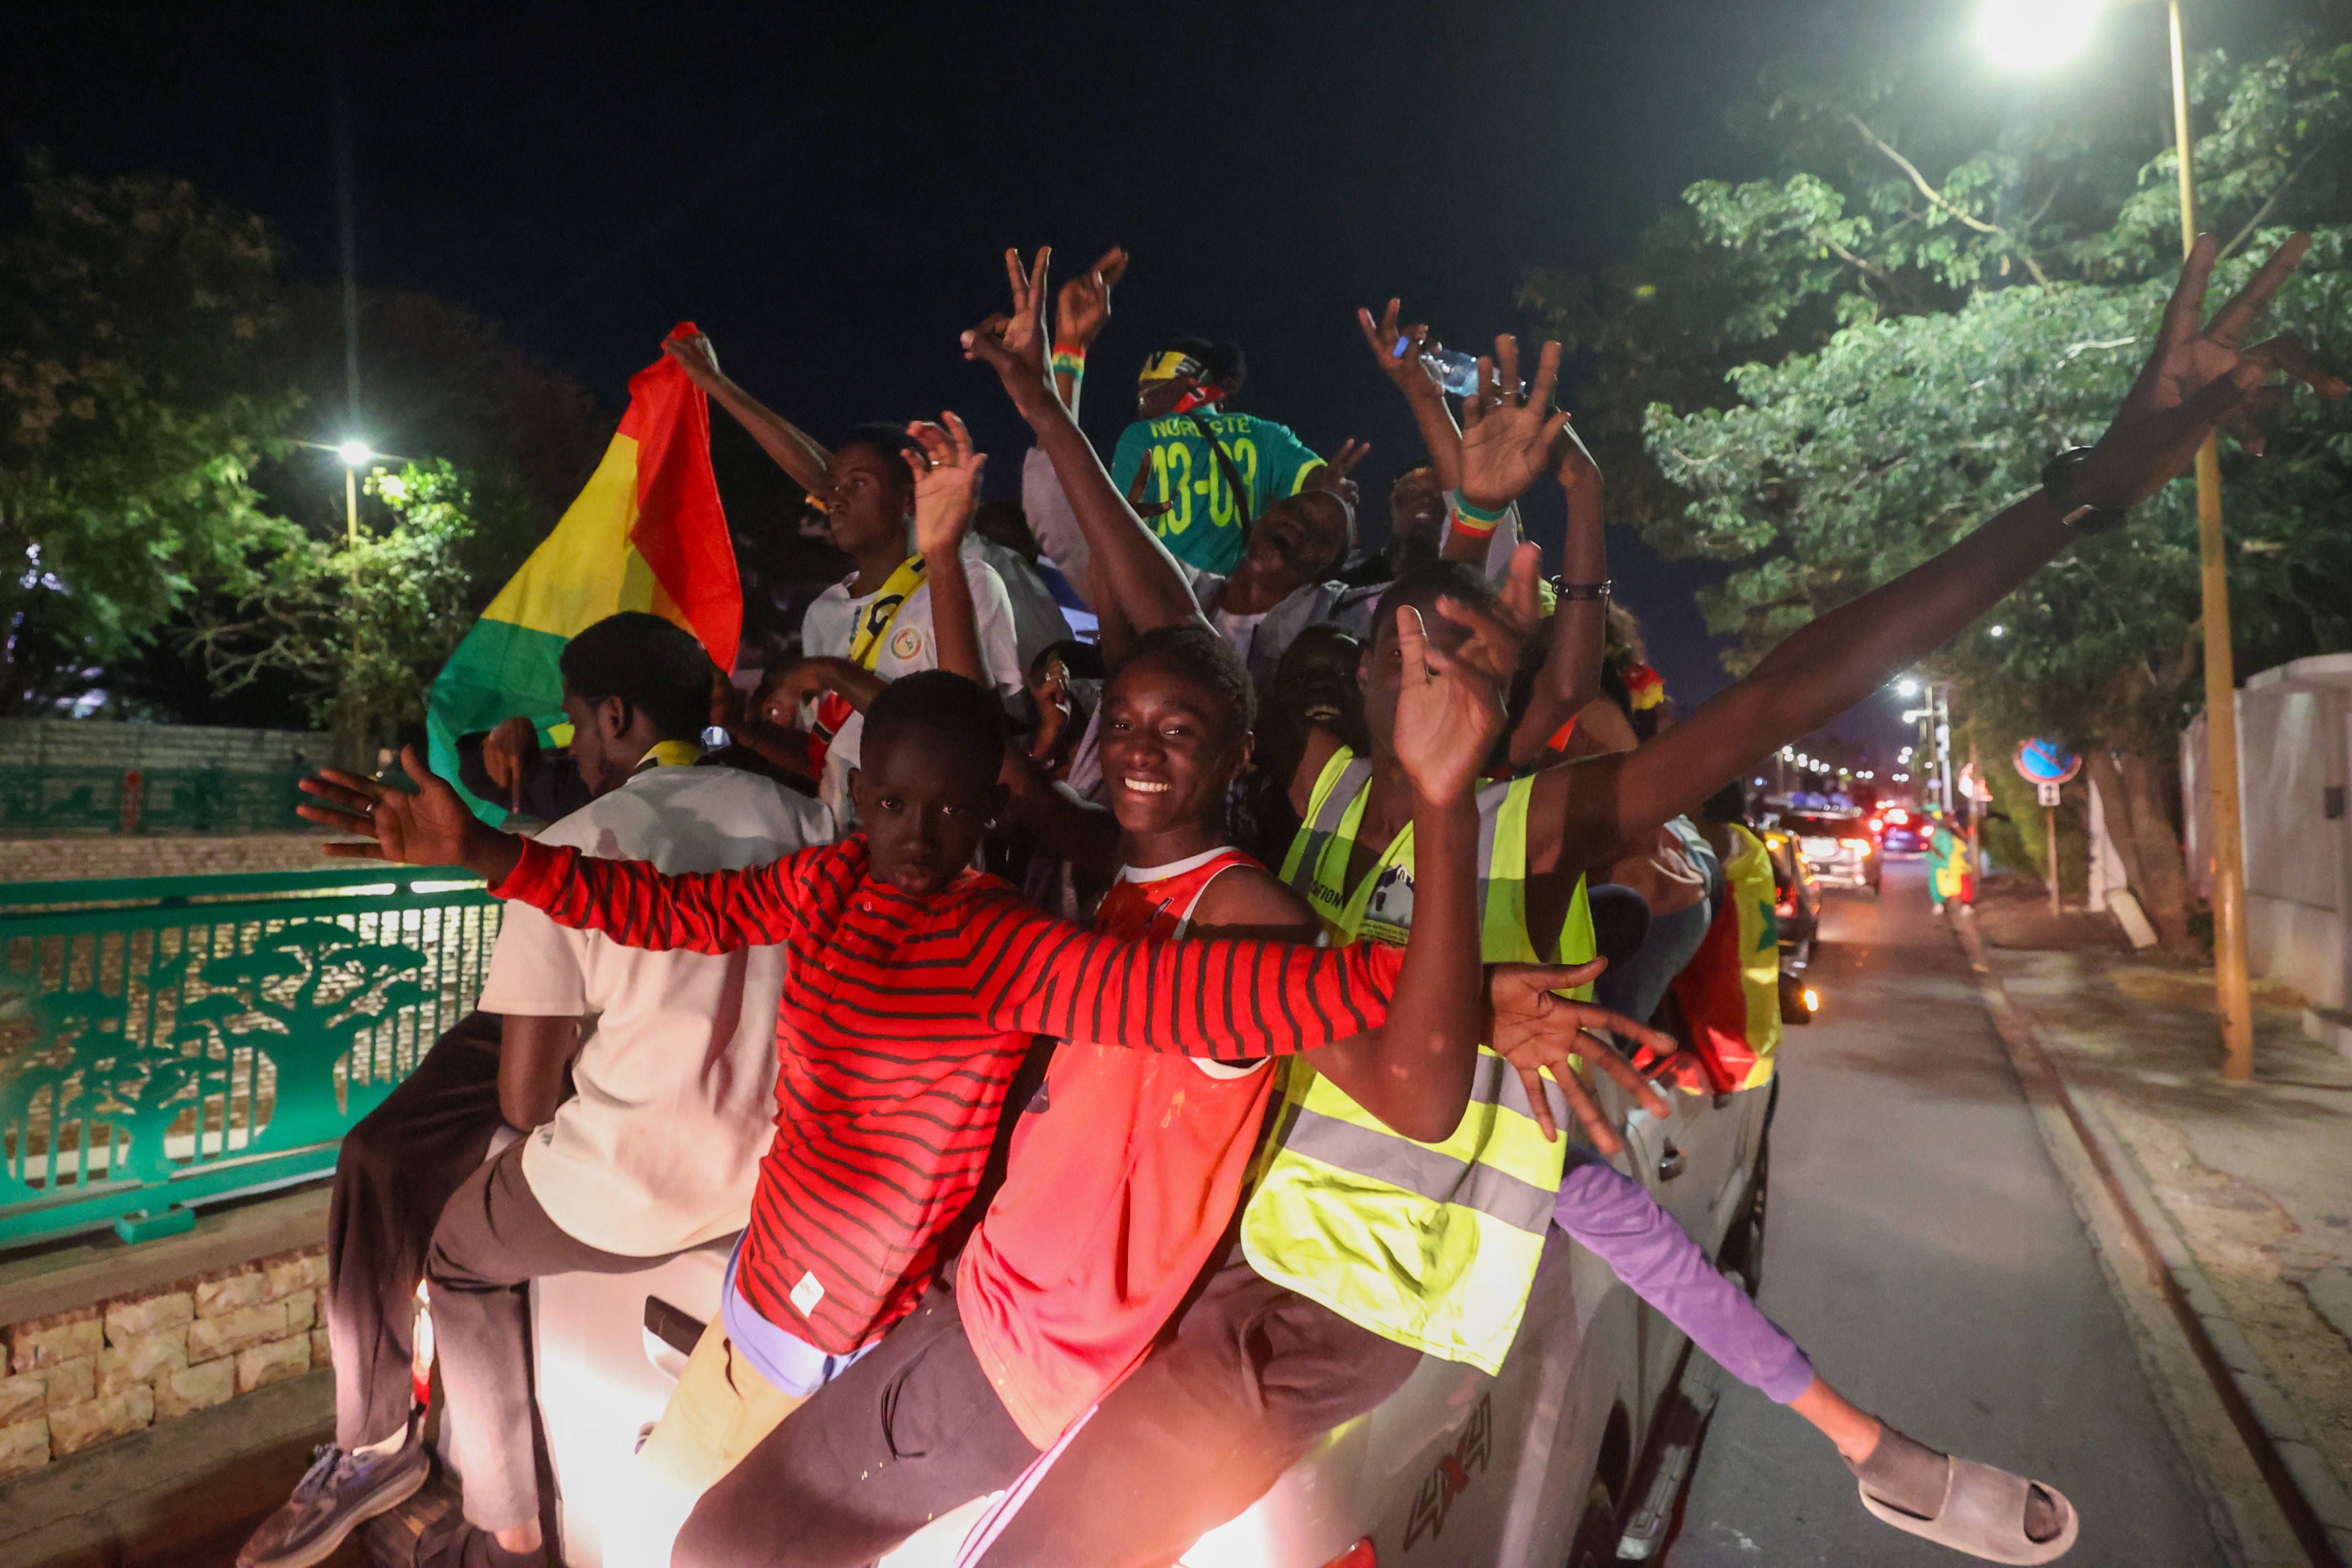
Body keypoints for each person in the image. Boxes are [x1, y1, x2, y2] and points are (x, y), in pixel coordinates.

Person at [238, 612, 833, 1568]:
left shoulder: (571, 847)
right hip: (780, 1174)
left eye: (572, 721)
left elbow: (521, 1104)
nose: (569, 746)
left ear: (613, 717)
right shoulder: (815, 822)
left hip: (634, 1192)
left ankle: (501, 1529)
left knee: (459, 1253)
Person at [657, 333, 1027, 819]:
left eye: (858, 484)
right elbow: (829, 760)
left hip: (925, 842)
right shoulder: (823, 613)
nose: (835, 498)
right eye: (834, 488)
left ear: (910, 497)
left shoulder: (966, 583)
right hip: (845, 848)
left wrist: (833, 672)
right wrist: (746, 730)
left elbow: (968, 734)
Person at [1106, 333, 1335, 577]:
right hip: (1238, 598)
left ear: (1182, 384)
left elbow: (1115, 540)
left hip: (1164, 594)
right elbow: (1326, 487)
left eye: (1145, 398)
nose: (1142, 411)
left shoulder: (1141, 437)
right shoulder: (1265, 435)